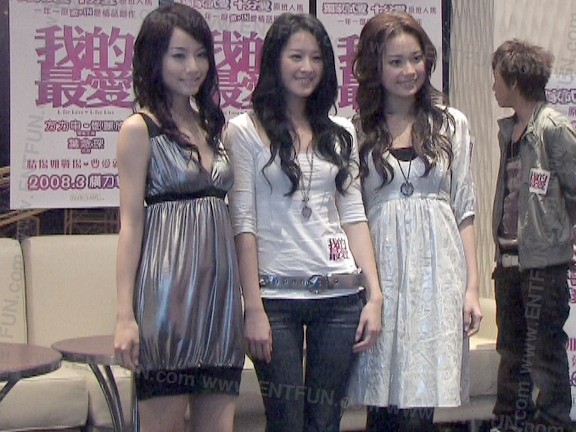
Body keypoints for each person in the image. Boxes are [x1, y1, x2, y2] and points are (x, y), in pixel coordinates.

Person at [223, 12, 383, 432]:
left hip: (340, 296)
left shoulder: (342, 131)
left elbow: (353, 215)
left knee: (326, 422)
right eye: (296, 56)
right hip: (275, 301)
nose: (307, 67)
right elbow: (243, 223)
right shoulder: (244, 131)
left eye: (316, 58)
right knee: (286, 421)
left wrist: (375, 295)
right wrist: (252, 306)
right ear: (275, 61)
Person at [345, 11, 482, 432]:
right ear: (375, 67)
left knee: (421, 402)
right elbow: (352, 214)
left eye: (416, 59)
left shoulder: (451, 124)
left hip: (437, 274)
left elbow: (465, 208)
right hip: (381, 275)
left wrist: (472, 288)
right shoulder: (355, 131)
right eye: (396, 61)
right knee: (381, 402)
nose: (409, 71)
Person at [113, 4, 245, 432]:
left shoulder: (213, 125)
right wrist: (124, 316)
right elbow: (130, 225)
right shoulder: (139, 129)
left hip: (220, 301)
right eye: (179, 55)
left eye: (201, 55)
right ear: (155, 59)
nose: (193, 67)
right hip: (166, 300)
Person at [490, 39, 576, 432]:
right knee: (511, 352)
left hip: (543, 263)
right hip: (508, 261)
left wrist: (563, 240)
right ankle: (510, 423)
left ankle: (554, 424)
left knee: (544, 353)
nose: (493, 87)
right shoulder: (510, 131)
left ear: (514, 81)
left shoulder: (553, 129)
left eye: (497, 79)